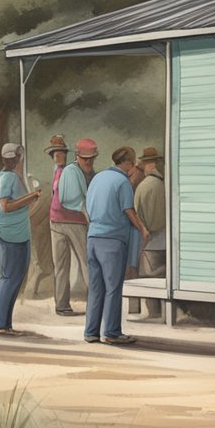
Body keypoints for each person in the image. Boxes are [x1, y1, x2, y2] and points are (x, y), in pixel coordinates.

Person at [83, 146, 148, 345]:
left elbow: (86, 206)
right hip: (112, 240)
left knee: (95, 288)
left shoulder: (98, 178)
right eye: (133, 162)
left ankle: (91, 332)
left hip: (93, 238)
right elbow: (128, 210)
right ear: (127, 162)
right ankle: (111, 332)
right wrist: (143, 229)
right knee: (113, 288)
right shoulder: (123, 182)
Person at [0, 143, 41, 336]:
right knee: (9, 278)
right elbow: (5, 206)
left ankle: (5, 323)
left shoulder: (11, 177)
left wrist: (30, 197)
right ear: (18, 158)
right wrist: (31, 197)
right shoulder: (7, 177)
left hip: (17, 233)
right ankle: (1, 324)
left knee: (15, 278)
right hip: (8, 234)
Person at [50, 136, 95, 316]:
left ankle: (94, 303)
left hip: (76, 221)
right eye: (55, 154)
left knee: (86, 263)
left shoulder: (76, 172)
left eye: (60, 153)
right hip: (58, 221)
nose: (57, 156)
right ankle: (61, 305)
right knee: (61, 265)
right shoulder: (63, 171)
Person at [129, 146, 167, 320]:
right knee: (162, 278)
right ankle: (162, 313)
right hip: (164, 240)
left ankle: (153, 313)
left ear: (145, 164)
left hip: (149, 241)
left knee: (148, 278)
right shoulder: (163, 185)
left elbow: (138, 215)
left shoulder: (143, 187)